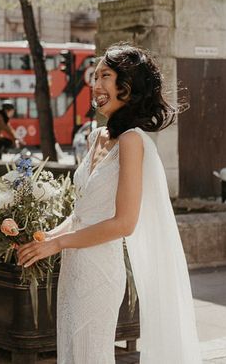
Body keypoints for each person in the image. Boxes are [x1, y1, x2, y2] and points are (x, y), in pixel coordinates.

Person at [17, 43, 200, 363]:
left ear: (127, 87)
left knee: (91, 355)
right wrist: (44, 238)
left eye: (106, 76)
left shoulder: (133, 142)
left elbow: (123, 223)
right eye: (95, 75)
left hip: (100, 272)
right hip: (74, 267)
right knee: (72, 353)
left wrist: (57, 244)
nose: (95, 84)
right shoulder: (96, 136)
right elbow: (81, 213)